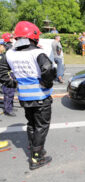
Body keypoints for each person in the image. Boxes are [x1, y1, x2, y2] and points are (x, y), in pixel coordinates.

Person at [0, 21, 56, 170]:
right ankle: (36, 158)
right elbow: (49, 69)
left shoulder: (9, 54)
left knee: (32, 125)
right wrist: (48, 83)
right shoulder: (37, 53)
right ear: (34, 36)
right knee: (41, 127)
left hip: (24, 98)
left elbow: (2, 72)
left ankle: (35, 149)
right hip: (40, 97)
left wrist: (13, 84)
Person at [1, 33, 16, 117]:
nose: (12, 38)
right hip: (8, 73)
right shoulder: (8, 47)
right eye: (11, 37)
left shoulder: (8, 47)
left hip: (10, 72)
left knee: (11, 91)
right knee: (8, 92)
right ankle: (8, 110)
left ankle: (10, 107)